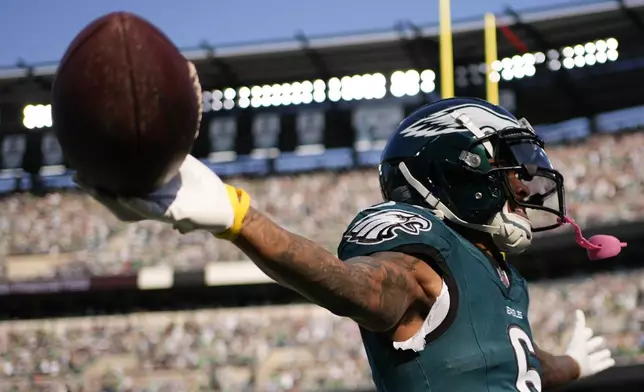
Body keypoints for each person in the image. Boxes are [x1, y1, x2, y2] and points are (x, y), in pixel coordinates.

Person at [77, 97, 615, 391]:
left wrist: (572, 363)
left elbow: (525, 362)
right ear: (457, 171)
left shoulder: (498, 277)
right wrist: (242, 220)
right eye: (508, 169)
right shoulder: (422, 256)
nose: (525, 185)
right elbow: (358, 287)